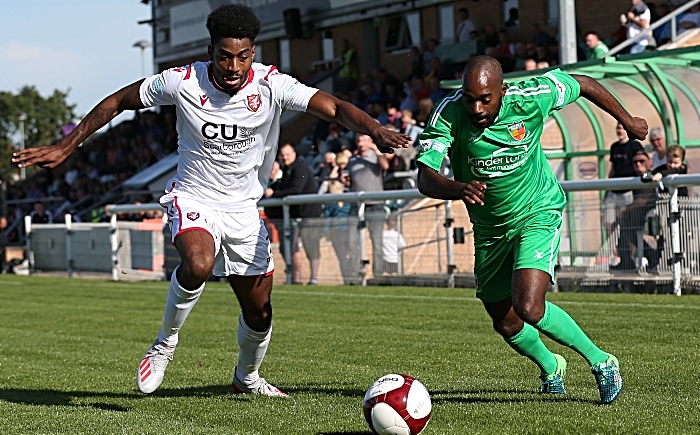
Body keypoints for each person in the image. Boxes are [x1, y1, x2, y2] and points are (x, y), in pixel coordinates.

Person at [12, 3, 412, 397]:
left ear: (253, 53)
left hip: (243, 211)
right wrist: (68, 145)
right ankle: (164, 344)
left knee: (259, 313)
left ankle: (247, 378)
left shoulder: (272, 84)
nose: (234, 67)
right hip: (194, 196)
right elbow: (119, 101)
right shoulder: (183, 81)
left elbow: (335, 107)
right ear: (211, 53)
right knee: (199, 263)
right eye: (224, 57)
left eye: (242, 57)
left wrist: (374, 128)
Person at [416, 55, 647, 403]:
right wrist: (458, 188)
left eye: (485, 99)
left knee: (529, 306)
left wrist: (627, 120)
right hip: (490, 229)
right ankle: (552, 366)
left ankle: (602, 361)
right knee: (505, 322)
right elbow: (425, 177)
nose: (476, 108)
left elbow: (582, 82)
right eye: (469, 98)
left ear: (502, 91)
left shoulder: (530, 97)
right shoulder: (449, 114)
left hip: (537, 212)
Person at [265, 142, 323, 285]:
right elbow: (286, 186)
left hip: (309, 214)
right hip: (296, 214)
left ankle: (313, 278)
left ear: (294, 154)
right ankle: (295, 277)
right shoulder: (288, 169)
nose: (285, 158)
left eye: (287, 155)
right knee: (290, 246)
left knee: (311, 245)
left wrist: (274, 193)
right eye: (282, 155)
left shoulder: (300, 168)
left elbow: (296, 189)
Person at [345, 134, 390, 280]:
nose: (360, 143)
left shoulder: (375, 157)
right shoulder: (352, 160)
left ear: (370, 141)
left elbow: (385, 166)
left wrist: (376, 151)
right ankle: (354, 275)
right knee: (352, 242)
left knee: (377, 242)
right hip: (356, 206)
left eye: (364, 140)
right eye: (358, 140)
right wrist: (346, 181)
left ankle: (378, 274)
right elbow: (350, 180)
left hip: (375, 206)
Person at [615, 151, 658, 270]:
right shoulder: (635, 179)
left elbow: (643, 199)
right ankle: (626, 260)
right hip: (638, 215)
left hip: (653, 213)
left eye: (641, 161)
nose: (638, 164)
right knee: (621, 224)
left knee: (624, 224)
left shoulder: (651, 177)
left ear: (649, 163)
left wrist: (627, 209)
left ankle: (651, 254)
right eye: (635, 162)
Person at [605, 122, 644, 247]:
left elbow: (641, 163)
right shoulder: (614, 147)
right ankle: (615, 248)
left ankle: (630, 254)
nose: (620, 131)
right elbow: (612, 169)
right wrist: (607, 190)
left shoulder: (634, 145)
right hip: (614, 190)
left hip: (628, 190)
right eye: (618, 128)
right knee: (608, 221)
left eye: (622, 128)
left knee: (625, 223)